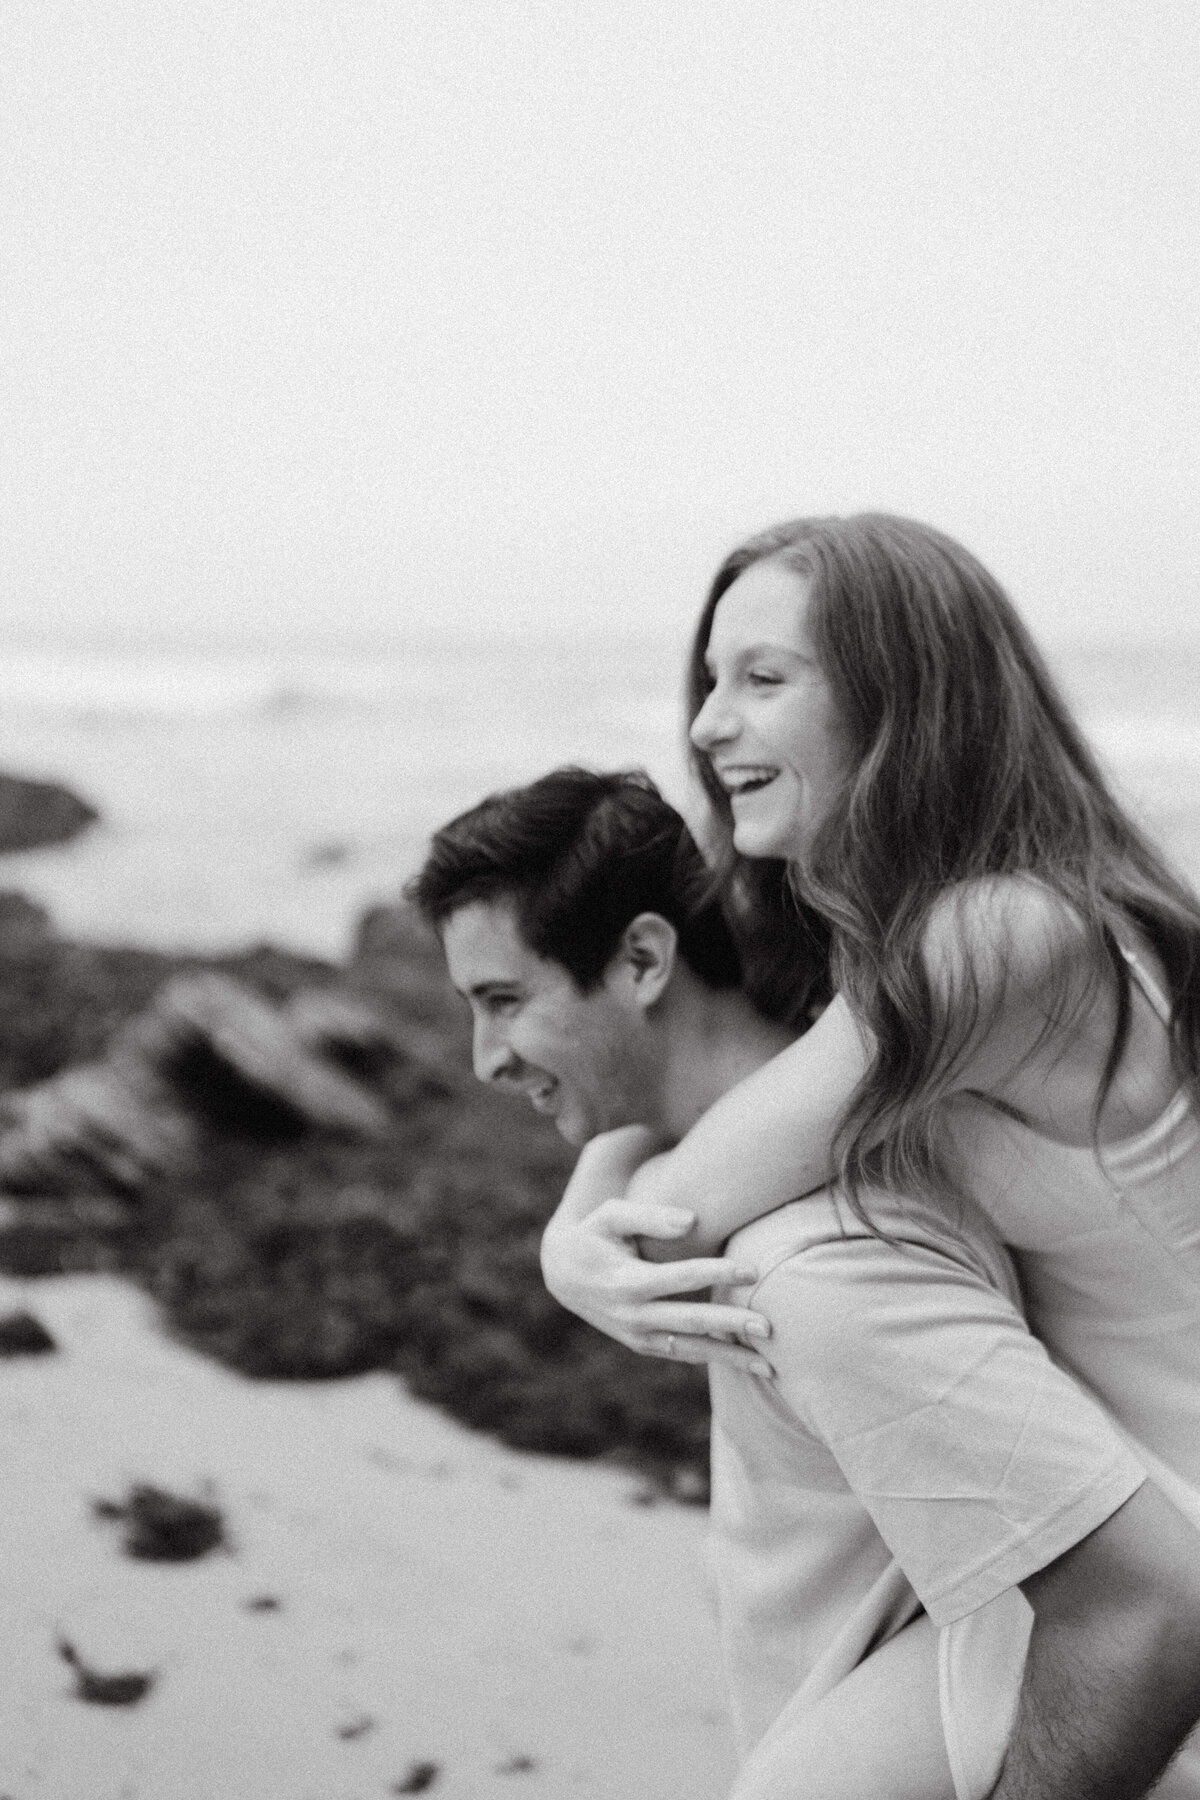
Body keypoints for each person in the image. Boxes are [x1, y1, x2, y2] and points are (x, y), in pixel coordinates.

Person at [538, 514, 1200, 1798]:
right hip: (1085, 1512)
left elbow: (694, 1190)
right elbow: (705, 1099)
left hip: (1157, 1537)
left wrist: (590, 1244)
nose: (708, 726)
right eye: (711, 682)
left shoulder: (1006, 935)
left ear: (905, 702)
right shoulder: (878, 933)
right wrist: (576, 1223)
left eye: (764, 680)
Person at [408, 766, 1200, 1800]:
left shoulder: (815, 1270)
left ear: (646, 958)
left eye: (504, 1001)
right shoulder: (748, 1181)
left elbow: (1138, 1610)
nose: (482, 1060)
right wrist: (574, 1234)